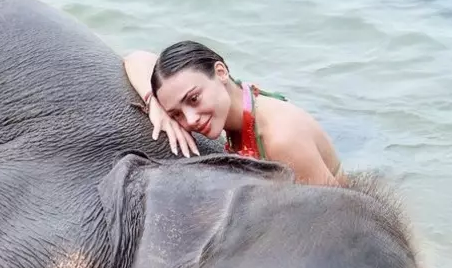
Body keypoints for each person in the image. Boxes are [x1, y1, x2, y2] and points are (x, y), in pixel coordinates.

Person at [123, 41, 344, 187]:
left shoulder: (280, 138)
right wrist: (155, 105)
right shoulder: (240, 105)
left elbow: (335, 219)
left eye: (193, 99)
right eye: (177, 114)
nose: (190, 119)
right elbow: (136, 58)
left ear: (221, 72)